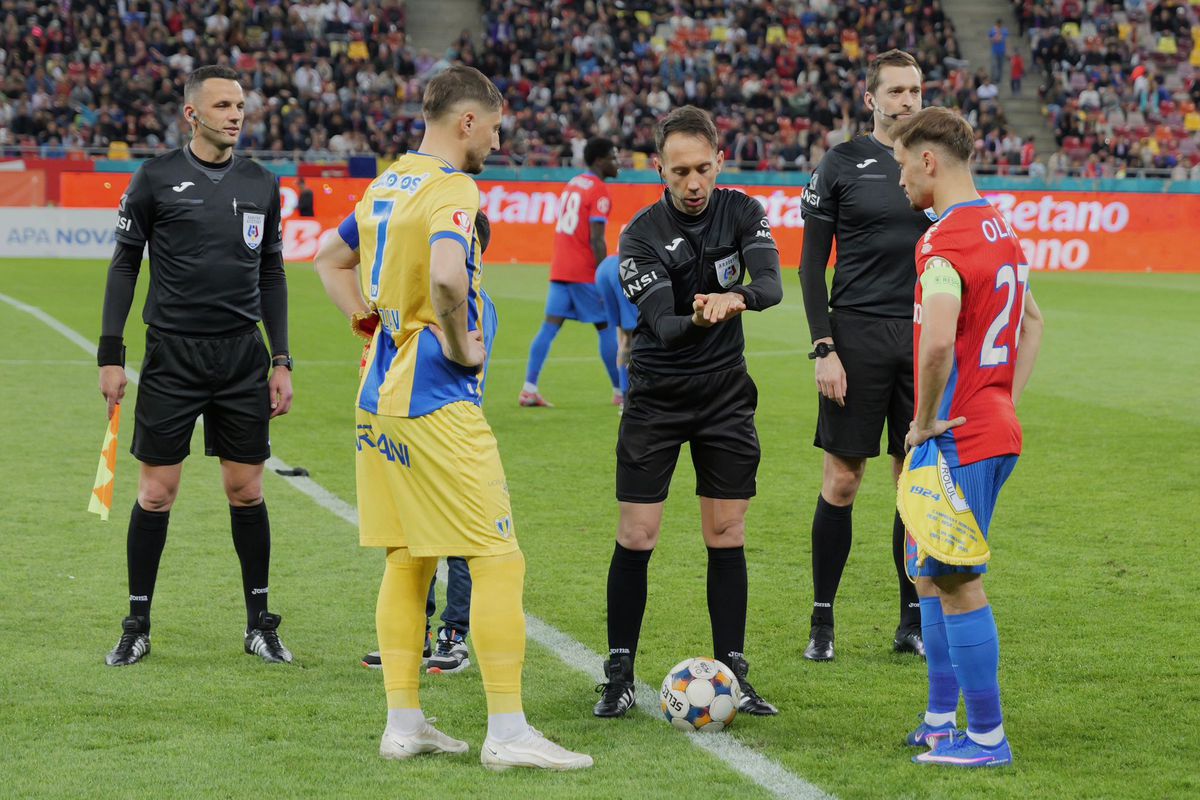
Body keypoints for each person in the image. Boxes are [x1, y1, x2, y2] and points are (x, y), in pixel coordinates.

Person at [312, 64, 591, 770]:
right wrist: (465, 343)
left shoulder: (388, 182)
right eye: (495, 126)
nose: (498, 140)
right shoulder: (451, 187)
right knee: (499, 557)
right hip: (435, 401)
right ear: (468, 120)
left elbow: (328, 256)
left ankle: (404, 723)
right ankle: (507, 732)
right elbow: (444, 275)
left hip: (377, 399)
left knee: (409, 559)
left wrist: (366, 322)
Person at [97, 65, 293, 666]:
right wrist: (112, 354)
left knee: (246, 489)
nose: (237, 114)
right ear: (193, 114)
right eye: (225, 105)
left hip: (241, 356)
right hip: (172, 356)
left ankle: (260, 623)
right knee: (156, 494)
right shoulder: (155, 179)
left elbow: (272, 273)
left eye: (241, 104)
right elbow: (125, 264)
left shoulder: (262, 183)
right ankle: (137, 624)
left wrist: (280, 358)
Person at [592, 106, 782, 719]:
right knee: (637, 534)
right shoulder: (639, 236)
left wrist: (736, 297)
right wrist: (703, 315)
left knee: (726, 534)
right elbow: (665, 323)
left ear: (720, 161)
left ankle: (733, 670)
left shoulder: (743, 211)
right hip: (657, 395)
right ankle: (619, 670)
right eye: (680, 172)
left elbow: (772, 286)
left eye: (703, 168)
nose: (694, 183)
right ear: (659, 170)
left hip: (725, 394)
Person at [892, 106, 1044, 767]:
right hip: (989, 423)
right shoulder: (1002, 230)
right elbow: (1033, 323)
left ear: (930, 160)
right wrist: (1002, 394)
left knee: (955, 578)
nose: (899, 177)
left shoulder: (943, 240)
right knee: (926, 571)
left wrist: (925, 419)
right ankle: (938, 721)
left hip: (959, 434)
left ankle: (985, 737)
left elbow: (936, 345)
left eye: (902, 162)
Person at [798, 49, 933, 662]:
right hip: (853, 338)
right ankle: (823, 619)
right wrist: (824, 346)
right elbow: (809, 264)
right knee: (844, 480)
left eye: (916, 90)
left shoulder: (935, 163)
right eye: (898, 91)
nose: (909, 101)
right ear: (871, 96)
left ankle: (912, 618)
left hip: (922, 339)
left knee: (913, 485)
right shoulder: (842, 162)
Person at [519, 137, 621, 407]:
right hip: (584, 272)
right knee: (607, 326)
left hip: (561, 268)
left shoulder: (574, 182)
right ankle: (621, 393)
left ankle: (529, 388)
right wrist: (604, 277)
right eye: (613, 156)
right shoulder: (598, 190)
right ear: (600, 161)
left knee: (549, 327)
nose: (618, 161)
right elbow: (597, 238)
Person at [593, 253, 639, 402]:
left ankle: (623, 396)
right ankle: (629, 400)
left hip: (605, 266)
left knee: (625, 338)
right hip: (628, 265)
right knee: (638, 335)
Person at [989, 20, 1008, 84]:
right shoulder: (992, 30)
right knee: (994, 65)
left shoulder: (1004, 30)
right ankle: (993, 78)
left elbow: (1001, 39)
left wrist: (996, 37)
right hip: (994, 51)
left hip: (1001, 51)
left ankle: (999, 79)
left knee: (1000, 66)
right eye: (997, 24)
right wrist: (994, 39)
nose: (998, 26)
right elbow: (990, 38)